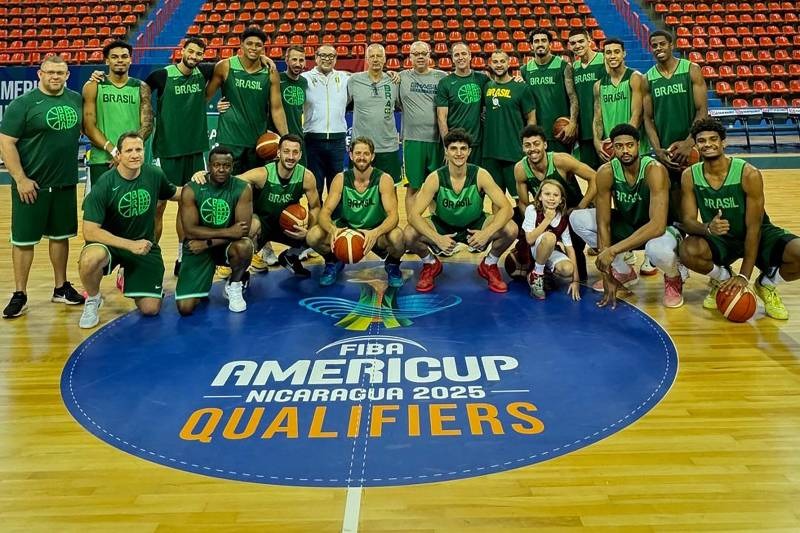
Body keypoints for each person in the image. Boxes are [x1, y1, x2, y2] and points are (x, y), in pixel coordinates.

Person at [679, 118, 800, 320]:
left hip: (757, 235)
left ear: (723, 142)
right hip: (721, 239)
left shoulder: (748, 174)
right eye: (701, 140)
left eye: (713, 139)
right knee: (687, 250)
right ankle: (723, 279)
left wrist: (745, 276)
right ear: (696, 144)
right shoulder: (689, 176)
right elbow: (689, 221)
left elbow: (754, 228)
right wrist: (708, 228)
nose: (707, 144)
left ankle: (766, 284)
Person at [0, 54, 85, 319]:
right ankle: (20, 293)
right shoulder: (22, 104)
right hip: (31, 185)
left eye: (60, 73)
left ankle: (60, 287)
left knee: (60, 238)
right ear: (40, 74)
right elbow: (6, 143)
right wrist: (21, 179)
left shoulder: (75, 99)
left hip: (64, 182)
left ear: (68, 75)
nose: (55, 77)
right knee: (24, 241)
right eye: (50, 72)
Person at [569, 124, 686, 309]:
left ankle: (674, 277)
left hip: (662, 231)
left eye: (629, 145)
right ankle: (623, 272)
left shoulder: (654, 169)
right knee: (577, 219)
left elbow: (657, 225)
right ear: (612, 147)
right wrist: (607, 275)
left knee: (657, 250)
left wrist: (613, 250)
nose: (625, 150)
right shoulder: (606, 172)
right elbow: (603, 223)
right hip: (629, 225)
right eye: (619, 146)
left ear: (638, 145)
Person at [78, 133, 181, 329]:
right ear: (119, 155)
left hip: (143, 246)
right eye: (129, 150)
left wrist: (201, 183)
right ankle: (93, 299)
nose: (135, 155)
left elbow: (176, 193)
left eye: (139, 150)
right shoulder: (104, 184)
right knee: (90, 259)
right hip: (111, 245)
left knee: (151, 309)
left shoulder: (154, 175)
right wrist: (129, 245)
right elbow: (90, 232)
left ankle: (131, 276)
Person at [405, 129, 517, 293]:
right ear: (446, 151)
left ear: (469, 151)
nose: (458, 153)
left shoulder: (480, 175)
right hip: (442, 226)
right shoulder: (435, 178)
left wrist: (486, 233)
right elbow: (413, 216)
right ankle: (430, 263)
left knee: (511, 229)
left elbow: (507, 209)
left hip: (475, 225)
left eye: (463, 148)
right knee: (408, 234)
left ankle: (489, 263)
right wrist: (437, 238)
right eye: (453, 148)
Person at [193, 134, 321, 276]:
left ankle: (290, 256)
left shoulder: (306, 176)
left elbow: (315, 207)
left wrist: (308, 230)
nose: (290, 156)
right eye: (286, 151)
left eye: (295, 152)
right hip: (262, 223)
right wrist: (206, 174)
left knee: (318, 235)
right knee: (249, 226)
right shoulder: (262, 174)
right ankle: (239, 272)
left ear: (300, 155)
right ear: (278, 153)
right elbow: (231, 181)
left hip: (287, 225)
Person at [144, 37, 214, 273]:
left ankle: (182, 256)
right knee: (159, 206)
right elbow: (139, 92)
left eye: (199, 54)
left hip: (194, 150)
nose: (194, 57)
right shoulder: (161, 76)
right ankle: (150, 255)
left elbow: (231, 67)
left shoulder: (203, 73)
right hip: (167, 151)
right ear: (181, 50)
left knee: (188, 204)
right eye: (191, 52)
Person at [306, 137, 405, 287]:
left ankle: (393, 265)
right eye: (358, 153)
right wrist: (333, 230)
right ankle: (333, 261)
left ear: (372, 156)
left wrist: (376, 232)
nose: (362, 157)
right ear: (351, 155)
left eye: (366, 154)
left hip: (374, 232)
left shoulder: (384, 179)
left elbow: (393, 216)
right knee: (313, 236)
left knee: (398, 237)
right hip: (346, 230)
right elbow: (325, 212)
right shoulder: (341, 179)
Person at [513, 125, 597, 281]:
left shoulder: (561, 160)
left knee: (579, 273)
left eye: (536, 144)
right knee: (512, 219)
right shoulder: (520, 169)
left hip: (570, 213)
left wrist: (580, 207)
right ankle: (529, 259)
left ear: (545, 145)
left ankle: (557, 258)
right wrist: (534, 224)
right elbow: (524, 204)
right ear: (523, 148)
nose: (533, 149)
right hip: (543, 214)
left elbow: (595, 178)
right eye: (527, 145)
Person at [176, 146, 253, 315]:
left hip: (220, 246)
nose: (221, 169)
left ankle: (235, 285)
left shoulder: (243, 188)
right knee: (185, 308)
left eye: (226, 165)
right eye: (216, 165)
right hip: (197, 247)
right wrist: (228, 232)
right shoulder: (191, 189)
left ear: (232, 167)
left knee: (245, 246)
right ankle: (203, 281)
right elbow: (189, 231)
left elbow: (241, 231)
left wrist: (208, 242)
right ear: (209, 166)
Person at [206, 26, 288, 174]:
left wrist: (286, 138)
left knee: (254, 189)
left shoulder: (270, 72)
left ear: (263, 48)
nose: (253, 48)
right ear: (241, 44)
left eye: (258, 45)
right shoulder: (225, 66)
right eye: (249, 43)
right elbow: (205, 96)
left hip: (257, 142)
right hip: (229, 139)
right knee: (226, 186)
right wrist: (216, 106)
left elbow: (277, 108)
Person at [642, 30, 708, 210]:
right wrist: (657, 150)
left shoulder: (691, 69)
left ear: (671, 45)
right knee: (674, 203)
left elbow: (702, 110)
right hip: (667, 152)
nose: (658, 48)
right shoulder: (648, 78)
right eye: (654, 46)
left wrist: (689, 143)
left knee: (699, 199)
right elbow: (647, 119)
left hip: (692, 149)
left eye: (662, 44)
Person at [82, 40, 152, 195]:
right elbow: (89, 126)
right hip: (102, 160)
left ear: (130, 59)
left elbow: (147, 124)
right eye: (114, 57)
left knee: (133, 208)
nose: (120, 60)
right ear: (107, 60)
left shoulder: (141, 87)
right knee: (103, 212)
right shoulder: (93, 86)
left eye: (124, 56)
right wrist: (114, 151)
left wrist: (128, 152)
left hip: (133, 159)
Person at [398, 41, 446, 214]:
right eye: (415, 53)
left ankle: (437, 224)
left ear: (429, 55)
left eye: (423, 53)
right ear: (409, 56)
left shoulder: (442, 77)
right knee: (413, 187)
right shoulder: (400, 77)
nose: (419, 56)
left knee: (437, 186)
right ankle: (412, 224)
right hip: (413, 141)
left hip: (437, 141)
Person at [481, 50, 536, 198]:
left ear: (509, 63)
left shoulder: (521, 88)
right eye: (495, 62)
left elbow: (531, 118)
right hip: (490, 153)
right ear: (490, 64)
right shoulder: (487, 87)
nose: (499, 65)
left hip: (513, 150)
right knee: (496, 199)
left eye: (502, 61)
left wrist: (528, 144)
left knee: (520, 198)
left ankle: (524, 222)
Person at [348, 44, 402, 183]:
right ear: (366, 59)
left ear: (385, 59)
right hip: (361, 148)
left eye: (379, 56)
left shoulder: (394, 81)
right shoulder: (354, 80)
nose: (376, 59)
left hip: (388, 146)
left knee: (391, 188)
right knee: (358, 188)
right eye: (372, 56)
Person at [302, 45, 350, 197]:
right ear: (316, 57)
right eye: (323, 55)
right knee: (314, 184)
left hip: (337, 140)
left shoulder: (345, 78)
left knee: (336, 185)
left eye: (331, 56)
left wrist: (390, 73)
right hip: (313, 139)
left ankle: (334, 219)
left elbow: (369, 76)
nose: (327, 59)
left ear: (336, 59)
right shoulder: (304, 78)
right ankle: (315, 218)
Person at [522, 180, 582, 301]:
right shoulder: (532, 210)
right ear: (539, 197)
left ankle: (544, 274)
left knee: (568, 269)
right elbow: (529, 239)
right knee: (550, 237)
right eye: (547, 194)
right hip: (531, 250)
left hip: (549, 250)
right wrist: (547, 219)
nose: (551, 198)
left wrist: (575, 280)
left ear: (561, 200)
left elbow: (569, 248)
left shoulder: (562, 218)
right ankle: (537, 274)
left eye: (555, 195)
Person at [521, 30, 579, 153]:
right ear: (531, 45)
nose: (540, 44)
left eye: (543, 40)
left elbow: (573, 98)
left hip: (559, 131)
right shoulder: (525, 70)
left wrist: (573, 123)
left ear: (550, 44)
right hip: (536, 134)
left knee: (563, 170)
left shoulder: (563, 66)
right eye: (536, 41)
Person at [593, 38, 649, 162]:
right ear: (604, 56)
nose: (612, 56)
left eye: (616, 52)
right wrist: (597, 142)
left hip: (633, 147)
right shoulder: (599, 85)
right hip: (612, 148)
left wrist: (621, 140)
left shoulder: (635, 77)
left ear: (624, 53)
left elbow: (637, 114)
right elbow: (597, 119)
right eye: (608, 53)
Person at [435, 43, 490, 165]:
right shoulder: (445, 83)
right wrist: (447, 146)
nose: (461, 57)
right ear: (452, 59)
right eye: (457, 55)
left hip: (477, 142)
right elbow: (441, 118)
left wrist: (518, 80)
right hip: (456, 144)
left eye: (464, 54)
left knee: (477, 180)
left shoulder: (483, 79)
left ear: (470, 56)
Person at [568, 27, 606, 169]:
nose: (577, 46)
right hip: (584, 130)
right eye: (573, 43)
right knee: (592, 174)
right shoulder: (574, 67)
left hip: (604, 128)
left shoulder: (604, 60)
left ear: (589, 41)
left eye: (581, 41)